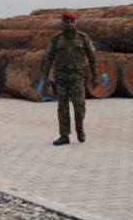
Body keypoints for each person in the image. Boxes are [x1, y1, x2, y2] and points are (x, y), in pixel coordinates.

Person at [41, 11, 98, 146]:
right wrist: (46, 78)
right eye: (66, 22)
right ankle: (64, 135)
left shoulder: (83, 38)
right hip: (61, 77)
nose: (69, 24)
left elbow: (92, 57)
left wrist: (95, 76)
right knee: (62, 107)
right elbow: (48, 58)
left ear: (75, 23)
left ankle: (80, 129)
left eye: (72, 22)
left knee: (79, 105)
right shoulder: (56, 39)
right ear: (62, 23)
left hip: (77, 76)